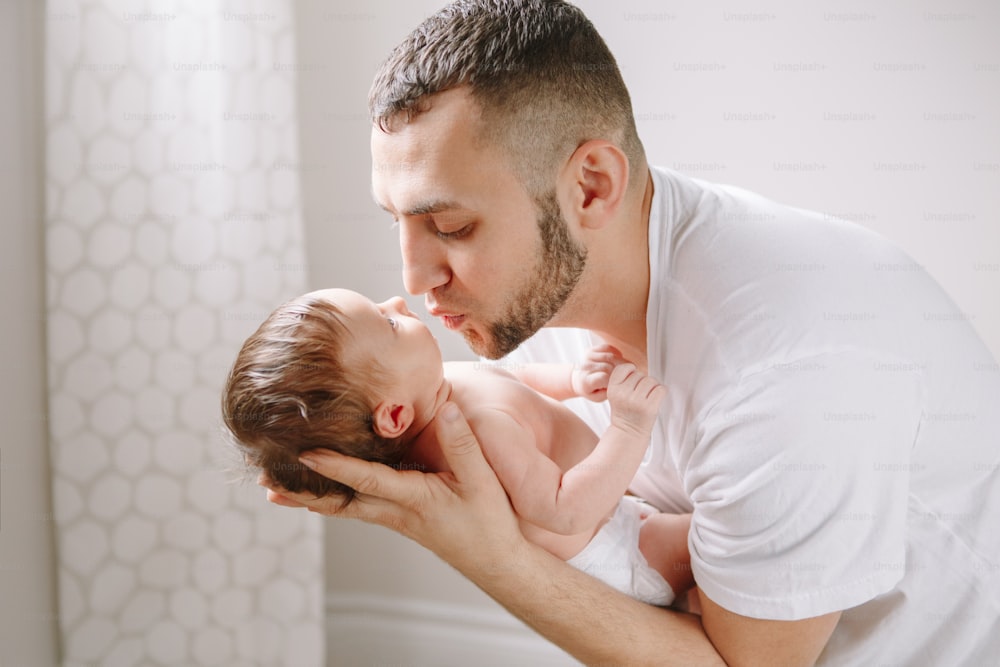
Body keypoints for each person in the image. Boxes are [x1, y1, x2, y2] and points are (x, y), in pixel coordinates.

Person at [263, 1, 1000, 665]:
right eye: (397, 220)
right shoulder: (552, 286)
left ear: (591, 187)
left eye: (450, 226)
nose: (415, 279)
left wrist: (480, 550)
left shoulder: (791, 364)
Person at [223, 287, 694, 607]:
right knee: (717, 538)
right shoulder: (479, 434)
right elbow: (565, 511)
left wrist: (571, 380)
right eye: (387, 323)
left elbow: (510, 380)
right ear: (393, 416)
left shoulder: (433, 386)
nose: (396, 301)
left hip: (625, 520)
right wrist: (629, 427)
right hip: (622, 552)